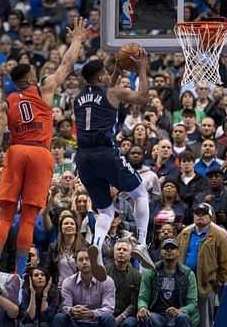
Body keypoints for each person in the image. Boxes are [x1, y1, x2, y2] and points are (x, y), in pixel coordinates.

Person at [0, 17, 90, 298]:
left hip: (15, 151)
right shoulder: (44, 88)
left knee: (5, 216)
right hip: (40, 153)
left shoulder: (6, 102)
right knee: (28, 219)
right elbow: (66, 65)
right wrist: (76, 39)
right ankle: (17, 273)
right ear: (29, 79)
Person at [73, 53, 154, 282]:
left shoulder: (77, 97)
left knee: (106, 211)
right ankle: (141, 243)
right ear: (100, 75)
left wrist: (117, 70)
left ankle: (96, 245)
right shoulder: (113, 92)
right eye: (106, 73)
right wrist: (142, 69)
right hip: (105, 153)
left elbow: (105, 91)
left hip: (83, 158)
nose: (110, 75)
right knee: (140, 194)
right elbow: (142, 97)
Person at [176, 203, 227, 327]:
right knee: (182, 318)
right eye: (197, 214)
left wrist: (215, 282)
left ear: (210, 217)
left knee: (204, 322)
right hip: (183, 284)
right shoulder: (184, 234)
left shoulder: (219, 236)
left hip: (205, 285)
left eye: (204, 214)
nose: (200, 216)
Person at [137, 238, 199, 327]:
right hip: (157, 315)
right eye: (166, 248)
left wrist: (181, 310)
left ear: (178, 252)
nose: (169, 250)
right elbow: (143, 297)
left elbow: (192, 303)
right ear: (161, 252)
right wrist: (142, 307)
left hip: (178, 314)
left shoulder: (188, 274)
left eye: (172, 248)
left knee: (183, 317)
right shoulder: (151, 272)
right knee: (145, 317)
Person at [51, 249, 116, 327]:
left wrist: (92, 313)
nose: (84, 262)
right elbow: (64, 307)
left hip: (97, 323)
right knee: (59, 317)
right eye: (81, 260)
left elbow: (109, 309)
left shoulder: (106, 281)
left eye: (87, 259)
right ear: (76, 264)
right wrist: (72, 310)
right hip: (75, 322)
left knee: (109, 318)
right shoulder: (68, 282)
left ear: (93, 261)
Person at [105, 239, 141, 327]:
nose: (121, 252)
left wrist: (121, 317)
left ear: (130, 254)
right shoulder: (104, 272)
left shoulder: (137, 276)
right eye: (118, 249)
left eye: (125, 250)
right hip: (107, 312)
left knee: (129, 323)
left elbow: (134, 303)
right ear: (114, 253)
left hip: (127, 315)